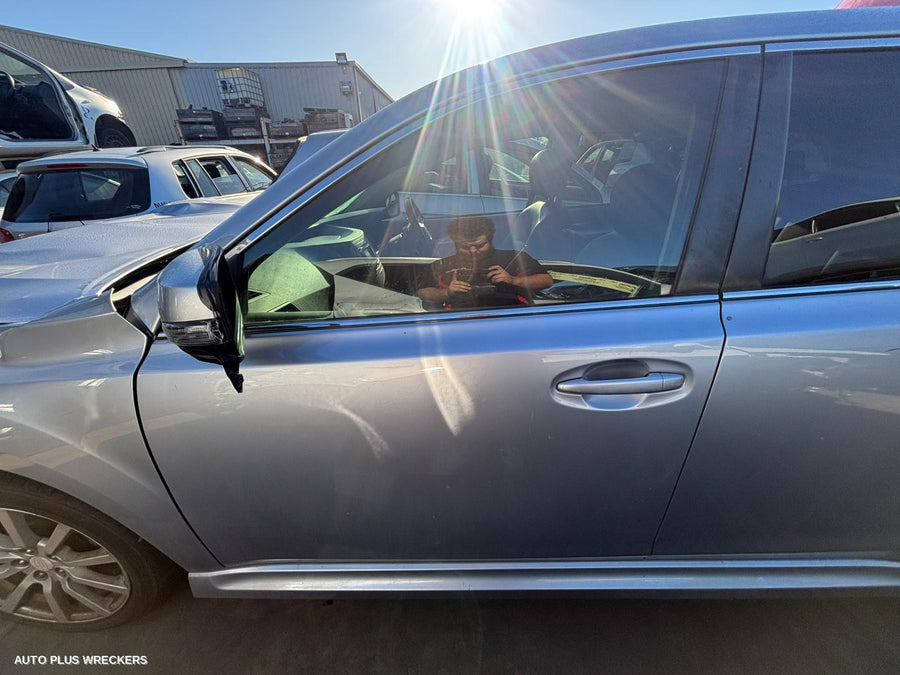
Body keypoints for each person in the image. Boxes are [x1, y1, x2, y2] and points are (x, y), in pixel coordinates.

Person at [418, 216, 553, 309]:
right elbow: (423, 292)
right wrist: (447, 292)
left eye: (479, 245)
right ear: (454, 242)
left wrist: (513, 280)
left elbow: (546, 280)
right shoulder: (442, 265)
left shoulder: (515, 258)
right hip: (457, 320)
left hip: (512, 317)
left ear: (491, 237)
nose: (472, 251)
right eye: (464, 247)